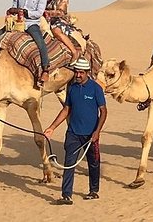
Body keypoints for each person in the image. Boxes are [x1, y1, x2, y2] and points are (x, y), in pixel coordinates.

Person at [44, 57, 107, 205]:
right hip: (73, 133)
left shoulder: (96, 88)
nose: (78, 75)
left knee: (94, 162)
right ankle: (66, 195)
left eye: (81, 73)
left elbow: (103, 111)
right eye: (77, 72)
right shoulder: (71, 88)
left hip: (91, 134)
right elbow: (66, 109)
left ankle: (93, 190)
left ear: (87, 73)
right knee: (69, 163)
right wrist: (52, 127)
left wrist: (97, 131)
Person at [43, 0, 80, 67]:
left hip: (58, 19)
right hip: (43, 18)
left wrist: (48, 12)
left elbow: (62, 12)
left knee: (56, 31)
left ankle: (74, 52)